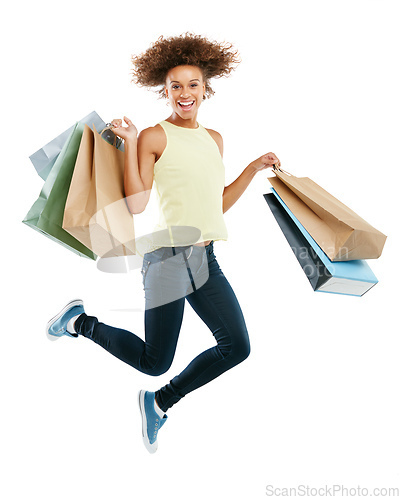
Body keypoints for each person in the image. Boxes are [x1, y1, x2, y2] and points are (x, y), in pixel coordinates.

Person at [46, 33, 281, 453]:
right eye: (176, 86)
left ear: (206, 88)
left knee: (237, 347)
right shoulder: (156, 135)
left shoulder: (215, 140)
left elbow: (215, 205)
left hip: (205, 258)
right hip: (169, 259)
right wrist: (134, 140)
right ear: (165, 90)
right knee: (155, 361)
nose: (185, 93)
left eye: (193, 85)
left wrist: (252, 167)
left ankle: (159, 403)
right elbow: (137, 203)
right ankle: (79, 322)